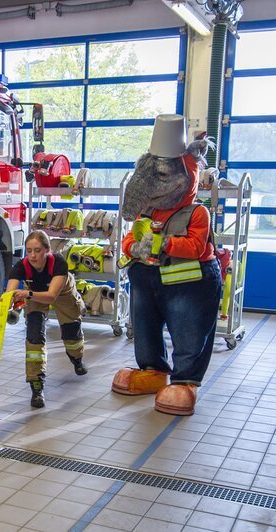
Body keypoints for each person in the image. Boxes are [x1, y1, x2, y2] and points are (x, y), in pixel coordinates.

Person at [113, 114, 221, 416]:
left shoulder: (197, 213)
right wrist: (134, 247)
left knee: (189, 329)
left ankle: (185, 380)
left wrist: (164, 244)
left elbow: (196, 246)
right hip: (147, 281)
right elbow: (130, 237)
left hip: (189, 286)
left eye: (161, 174)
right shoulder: (147, 213)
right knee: (145, 326)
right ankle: (152, 369)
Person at [6, 230, 87, 408]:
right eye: (29, 251)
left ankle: (77, 359)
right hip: (34, 293)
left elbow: (51, 297)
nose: (32, 256)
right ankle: (36, 386)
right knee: (34, 335)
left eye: (37, 250)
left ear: (47, 250)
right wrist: (6, 301)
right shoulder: (21, 266)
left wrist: (27, 294)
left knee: (71, 329)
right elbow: (9, 292)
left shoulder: (58, 263)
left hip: (61, 292)